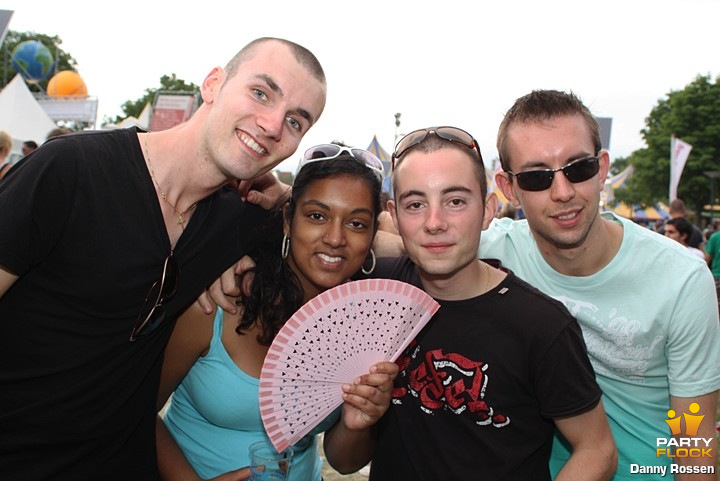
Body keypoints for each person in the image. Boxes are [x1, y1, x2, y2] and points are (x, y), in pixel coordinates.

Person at [0, 37, 327, 481]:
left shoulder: (235, 225)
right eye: (260, 93)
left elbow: (362, 242)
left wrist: (288, 196)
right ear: (213, 83)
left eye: (295, 121)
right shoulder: (71, 172)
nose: (272, 124)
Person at [325, 127, 617, 480]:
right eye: (416, 205)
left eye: (455, 201)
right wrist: (359, 423)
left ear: (487, 210)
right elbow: (342, 463)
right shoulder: (372, 296)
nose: (435, 223)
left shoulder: (541, 327)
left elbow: (597, 449)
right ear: (395, 216)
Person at [485, 90, 720, 480]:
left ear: (602, 168)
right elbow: (400, 238)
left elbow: (694, 447)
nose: (563, 192)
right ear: (509, 188)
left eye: (578, 168)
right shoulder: (495, 251)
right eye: (536, 176)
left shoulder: (680, 280)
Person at [157, 144, 398, 481]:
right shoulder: (220, 299)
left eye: (357, 224)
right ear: (288, 220)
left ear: (372, 236)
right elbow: (134, 410)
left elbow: (342, 462)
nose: (335, 238)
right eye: (317, 215)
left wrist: (360, 423)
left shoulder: (361, 327)